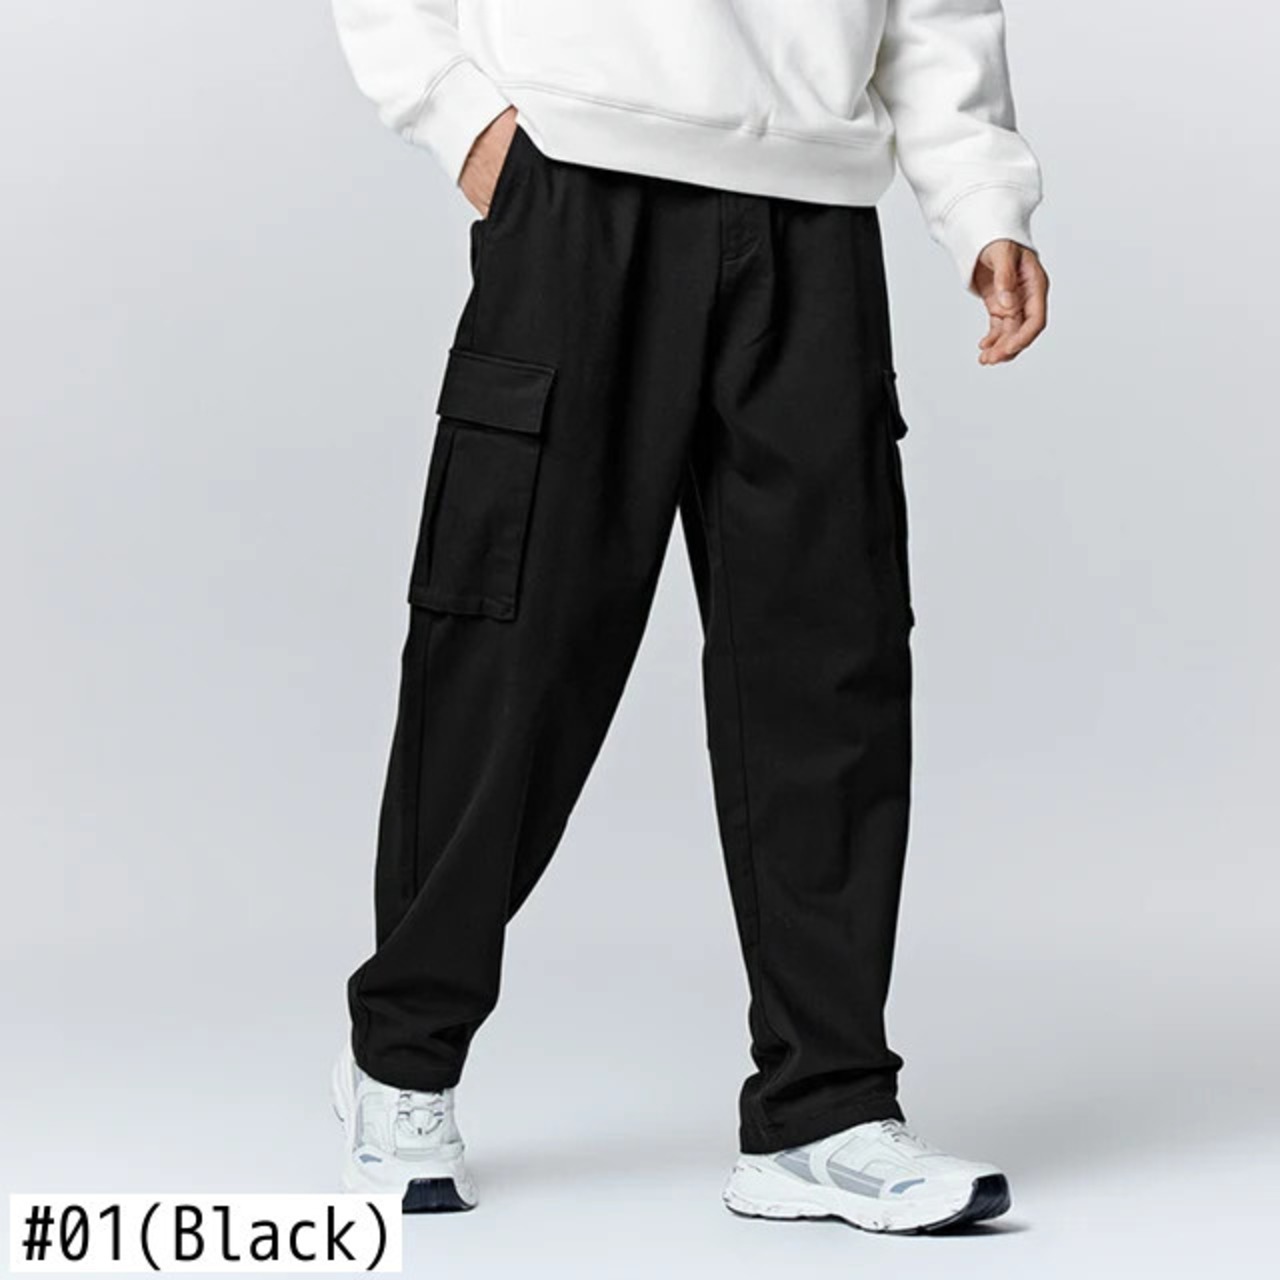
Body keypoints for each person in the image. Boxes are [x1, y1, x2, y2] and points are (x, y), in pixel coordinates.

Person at [327, 0, 1048, 1233]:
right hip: (576, 187)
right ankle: (401, 1059)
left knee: (829, 665)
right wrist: (467, 122)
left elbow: (932, 10)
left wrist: (980, 197)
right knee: (511, 651)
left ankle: (821, 1111)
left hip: (813, 210)